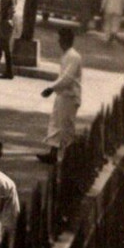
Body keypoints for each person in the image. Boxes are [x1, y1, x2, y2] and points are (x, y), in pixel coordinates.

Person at [39, 27, 83, 165]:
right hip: (63, 95)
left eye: (61, 39)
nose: (59, 42)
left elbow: (67, 78)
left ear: (65, 40)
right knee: (57, 124)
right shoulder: (67, 55)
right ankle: (53, 153)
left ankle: (72, 156)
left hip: (69, 96)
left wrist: (51, 88)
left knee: (66, 126)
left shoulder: (73, 56)